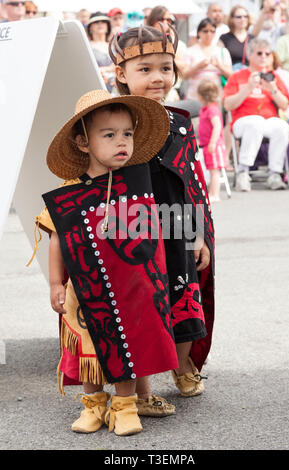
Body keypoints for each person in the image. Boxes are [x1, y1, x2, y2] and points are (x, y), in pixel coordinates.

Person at [33, 89, 178, 436]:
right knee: (90, 351)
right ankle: (94, 404)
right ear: (84, 143)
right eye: (109, 135)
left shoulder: (136, 188)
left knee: (127, 343)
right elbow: (57, 238)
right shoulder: (71, 190)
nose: (121, 141)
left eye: (127, 133)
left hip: (130, 290)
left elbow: (146, 242)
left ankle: (125, 405)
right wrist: (56, 282)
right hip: (84, 292)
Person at [111, 25, 215, 400]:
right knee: (142, 303)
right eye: (145, 69)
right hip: (134, 226)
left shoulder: (182, 120)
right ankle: (140, 387)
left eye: (166, 68)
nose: (158, 77)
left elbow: (191, 181)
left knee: (185, 294)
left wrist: (199, 233)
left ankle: (183, 365)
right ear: (121, 74)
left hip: (178, 220)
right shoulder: (113, 119)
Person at [223, 37, 289, 191]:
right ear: (250, 55)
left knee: (282, 127)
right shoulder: (237, 76)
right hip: (243, 121)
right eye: (259, 53)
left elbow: (285, 105)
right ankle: (243, 172)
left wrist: (272, 89)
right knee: (256, 122)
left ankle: (275, 173)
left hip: (269, 121)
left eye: (267, 54)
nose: (264, 57)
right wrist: (247, 88)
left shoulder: (273, 77)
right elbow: (228, 104)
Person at [183, 18, 232, 101]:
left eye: (212, 31)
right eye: (205, 31)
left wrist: (219, 66)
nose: (208, 34)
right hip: (195, 96)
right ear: (199, 33)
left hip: (216, 96)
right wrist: (198, 66)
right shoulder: (190, 51)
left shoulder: (222, 51)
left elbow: (231, 75)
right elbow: (184, 75)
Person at [197, 80, 226, 202]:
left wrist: (213, 142)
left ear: (201, 96)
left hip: (213, 145)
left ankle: (215, 194)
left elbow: (217, 126)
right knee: (210, 170)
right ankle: (211, 193)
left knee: (214, 171)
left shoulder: (212, 110)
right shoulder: (205, 109)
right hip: (206, 145)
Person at [219, 5, 254, 71]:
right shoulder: (224, 38)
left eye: (245, 16)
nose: (242, 19)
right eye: (239, 17)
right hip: (230, 75)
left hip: (249, 75)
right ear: (231, 19)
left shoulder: (253, 39)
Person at [86, 12, 114, 92]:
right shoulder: (87, 46)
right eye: (96, 22)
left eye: (103, 22)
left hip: (115, 88)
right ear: (90, 27)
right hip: (94, 87)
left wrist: (108, 69)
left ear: (108, 26)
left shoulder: (115, 46)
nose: (100, 24)